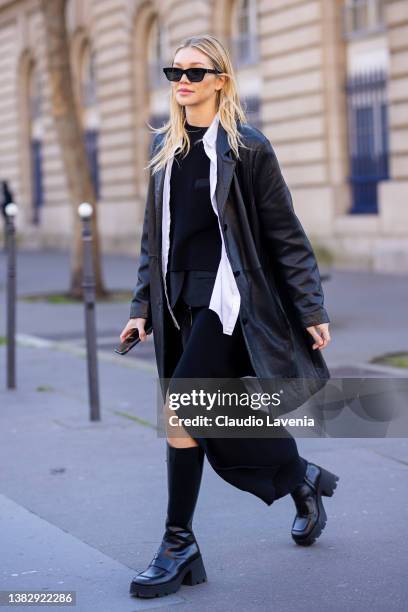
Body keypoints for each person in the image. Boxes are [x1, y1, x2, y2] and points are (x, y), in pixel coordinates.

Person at [120, 34, 339, 600]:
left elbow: (285, 234)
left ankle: (178, 543)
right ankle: (301, 477)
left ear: (221, 79)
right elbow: (154, 242)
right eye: (175, 72)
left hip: (232, 305)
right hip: (180, 307)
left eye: (196, 71)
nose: (183, 80)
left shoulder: (247, 148)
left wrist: (309, 305)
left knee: (183, 408)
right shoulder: (165, 155)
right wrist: (141, 307)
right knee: (212, 420)